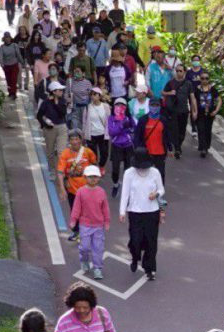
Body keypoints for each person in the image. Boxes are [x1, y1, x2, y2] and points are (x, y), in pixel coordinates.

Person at [119, 148, 166, 281]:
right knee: (135, 240)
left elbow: (161, 189)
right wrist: (122, 211)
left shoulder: (155, 172)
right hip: (135, 212)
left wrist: (155, 194)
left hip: (152, 212)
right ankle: (135, 257)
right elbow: (125, 194)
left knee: (151, 242)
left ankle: (150, 268)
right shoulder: (129, 173)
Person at [57, 130, 99, 243]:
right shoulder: (65, 154)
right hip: (71, 188)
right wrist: (62, 189)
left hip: (87, 189)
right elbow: (60, 172)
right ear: (69, 141)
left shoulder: (88, 152)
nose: (74, 142)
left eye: (76, 139)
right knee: (74, 211)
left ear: (81, 140)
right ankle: (77, 232)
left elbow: (94, 167)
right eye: (72, 139)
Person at [70, 165, 110, 280]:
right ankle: (84, 259)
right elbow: (76, 207)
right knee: (85, 247)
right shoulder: (81, 192)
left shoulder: (101, 192)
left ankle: (97, 268)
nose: (93, 179)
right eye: (90, 177)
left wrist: (107, 221)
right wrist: (73, 220)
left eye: (96, 177)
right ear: (85, 177)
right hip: (85, 225)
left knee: (98, 248)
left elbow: (105, 208)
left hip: (98, 226)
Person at [134, 99, 171, 184]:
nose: (154, 107)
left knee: (160, 175)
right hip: (146, 153)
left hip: (160, 153)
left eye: (157, 105)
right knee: (145, 175)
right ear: (149, 106)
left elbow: (167, 135)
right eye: (152, 105)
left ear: (160, 107)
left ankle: (159, 194)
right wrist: (137, 149)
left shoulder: (163, 120)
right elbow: (137, 136)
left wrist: (170, 148)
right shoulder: (143, 120)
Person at [161, 65, 194, 159]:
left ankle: (178, 144)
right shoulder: (171, 83)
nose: (178, 72)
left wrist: (194, 110)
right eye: (177, 71)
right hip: (173, 111)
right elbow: (162, 92)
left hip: (184, 111)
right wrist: (169, 93)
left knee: (182, 131)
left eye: (180, 71)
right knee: (174, 130)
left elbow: (192, 97)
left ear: (184, 72)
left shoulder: (188, 84)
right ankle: (177, 148)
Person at [108, 98, 136, 199]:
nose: (120, 107)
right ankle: (116, 185)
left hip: (128, 146)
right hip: (116, 146)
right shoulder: (111, 118)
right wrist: (121, 125)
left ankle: (127, 189)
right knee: (115, 170)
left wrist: (130, 126)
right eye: (117, 105)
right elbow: (112, 132)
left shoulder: (128, 117)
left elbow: (134, 128)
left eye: (122, 105)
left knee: (128, 170)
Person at [37, 80, 68, 169]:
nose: (62, 92)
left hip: (62, 128)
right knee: (50, 152)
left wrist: (56, 103)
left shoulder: (62, 101)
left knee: (61, 152)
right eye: (60, 90)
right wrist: (44, 125)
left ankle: (61, 172)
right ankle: (51, 169)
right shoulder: (45, 102)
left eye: (62, 90)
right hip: (50, 129)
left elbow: (63, 113)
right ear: (54, 92)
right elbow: (39, 115)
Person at [192, 69, 221, 157]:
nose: (204, 80)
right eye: (202, 78)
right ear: (200, 79)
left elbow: (219, 100)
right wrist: (194, 112)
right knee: (201, 130)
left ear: (209, 79)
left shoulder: (212, 89)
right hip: (200, 114)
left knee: (207, 131)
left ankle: (206, 146)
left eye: (206, 78)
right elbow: (193, 101)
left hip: (210, 114)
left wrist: (216, 111)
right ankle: (203, 149)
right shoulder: (196, 89)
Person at [84, 87, 110, 168]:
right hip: (92, 134)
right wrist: (84, 134)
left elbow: (109, 120)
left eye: (95, 94)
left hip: (103, 134)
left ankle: (102, 166)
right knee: (92, 153)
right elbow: (84, 122)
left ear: (99, 96)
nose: (93, 96)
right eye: (91, 94)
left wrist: (110, 132)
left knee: (104, 153)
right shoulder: (88, 107)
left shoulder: (105, 106)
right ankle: (94, 168)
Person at [0, 31, 25, 100]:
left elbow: (18, 55)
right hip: (6, 66)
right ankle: (10, 92)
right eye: (6, 38)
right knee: (8, 80)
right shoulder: (2, 47)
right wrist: (2, 64)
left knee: (13, 79)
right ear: (4, 39)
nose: (7, 39)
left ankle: (14, 93)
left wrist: (22, 62)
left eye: (8, 37)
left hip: (14, 65)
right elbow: (0, 57)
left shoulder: (15, 45)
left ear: (10, 38)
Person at [67, 67, 93, 132]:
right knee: (74, 126)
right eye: (75, 72)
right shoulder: (70, 82)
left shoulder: (87, 82)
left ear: (83, 73)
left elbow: (91, 95)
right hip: (74, 107)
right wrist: (67, 99)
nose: (76, 73)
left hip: (85, 107)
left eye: (78, 71)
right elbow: (66, 93)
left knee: (85, 126)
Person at [14, 24, 33, 91]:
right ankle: (19, 84)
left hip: (26, 57)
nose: (22, 31)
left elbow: (31, 48)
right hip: (19, 57)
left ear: (26, 30)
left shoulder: (29, 38)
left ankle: (26, 85)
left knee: (27, 70)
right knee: (19, 70)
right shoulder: (17, 38)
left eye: (23, 30)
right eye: (21, 30)